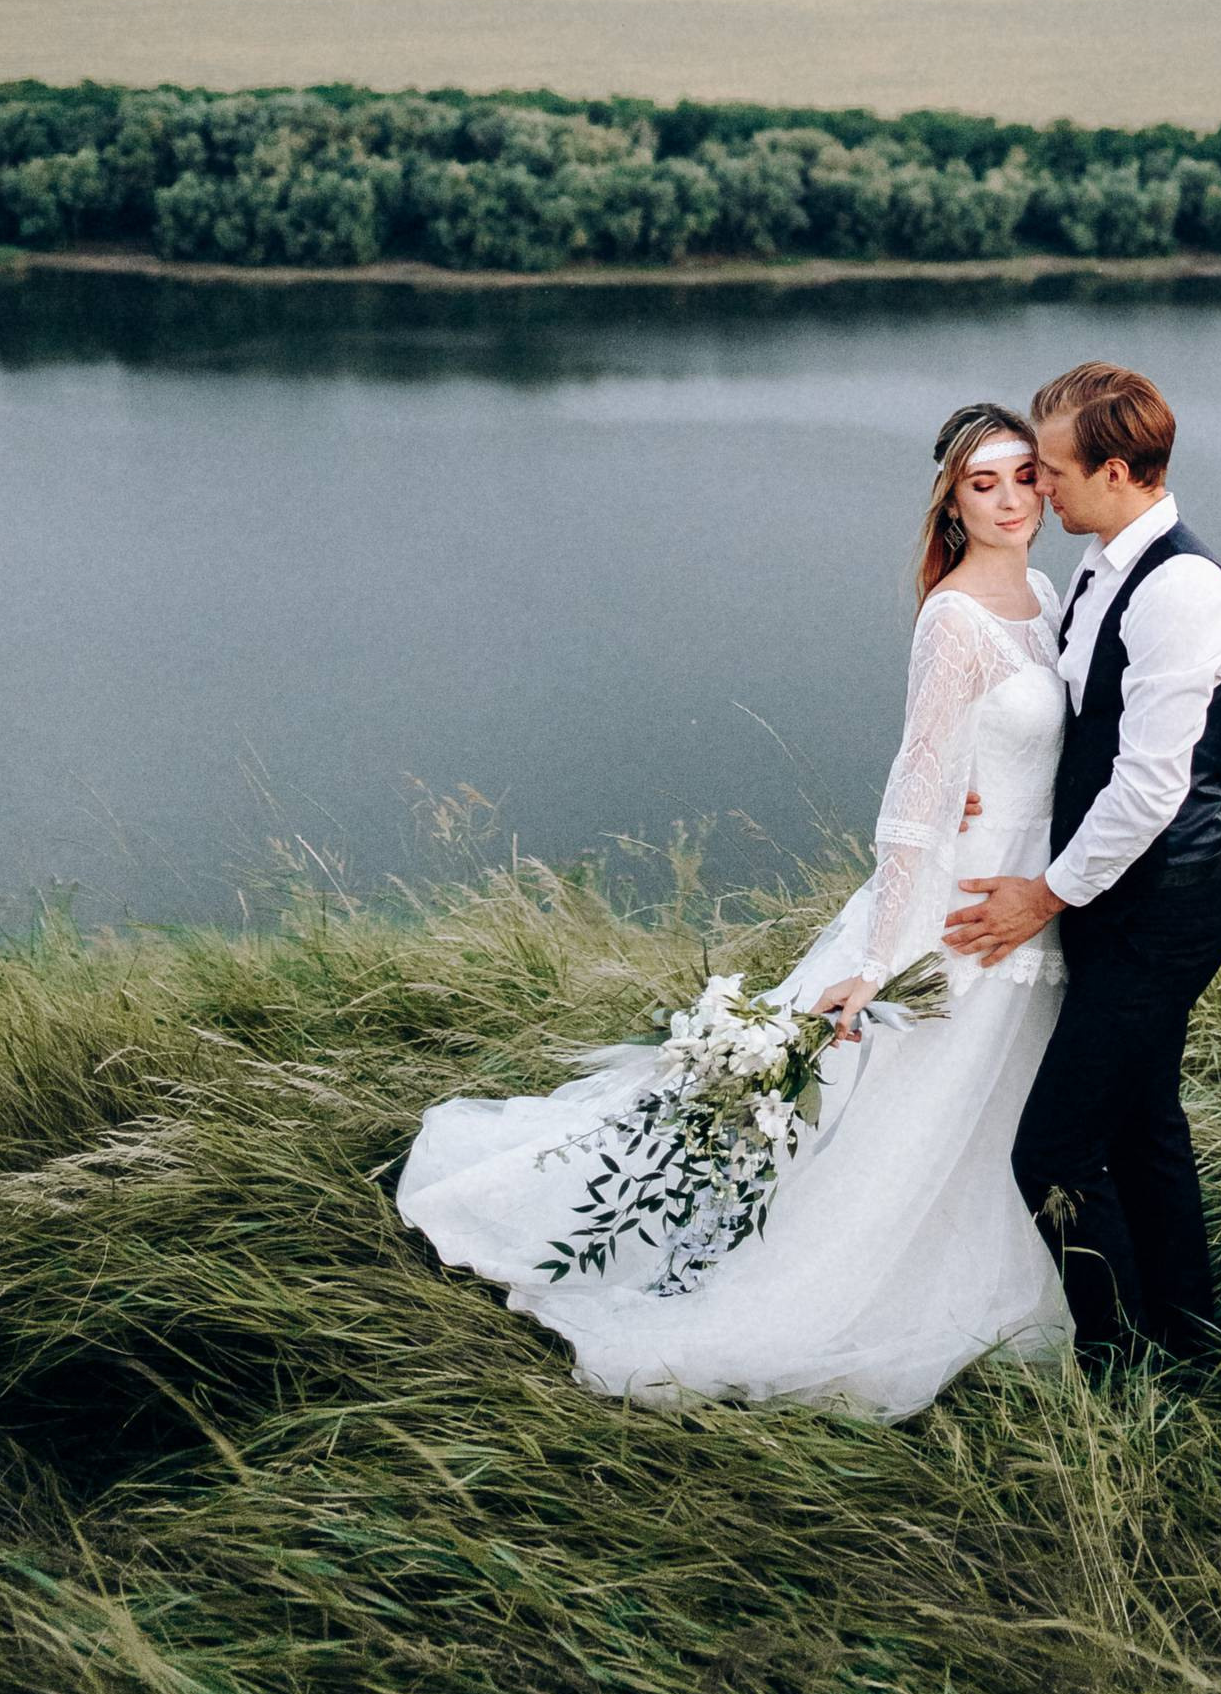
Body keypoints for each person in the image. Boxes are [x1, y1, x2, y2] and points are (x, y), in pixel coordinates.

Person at [393, 403, 1074, 1416]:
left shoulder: (1048, 589)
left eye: (1023, 474)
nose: (1011, 497)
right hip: (954, 907)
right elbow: (913, 797)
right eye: (984, 482)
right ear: (951, 502)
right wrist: (879, 955)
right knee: (891, 1111)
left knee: (988, 1110)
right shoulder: (952, 618)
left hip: (1026, 900)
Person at [943, 361, 1221, 1367]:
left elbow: (1150, 787)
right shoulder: (1096, 561)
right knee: (1144, 1124)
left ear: (1115, 470)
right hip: (1118, 908)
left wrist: (1043, 893)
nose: (1038, 487)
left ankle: (1114, 1358)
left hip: (1160, 911)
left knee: (1054, 1152)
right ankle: (1192, 1337)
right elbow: (1070, 723)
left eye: (1054, 469)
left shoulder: (1183, 591)